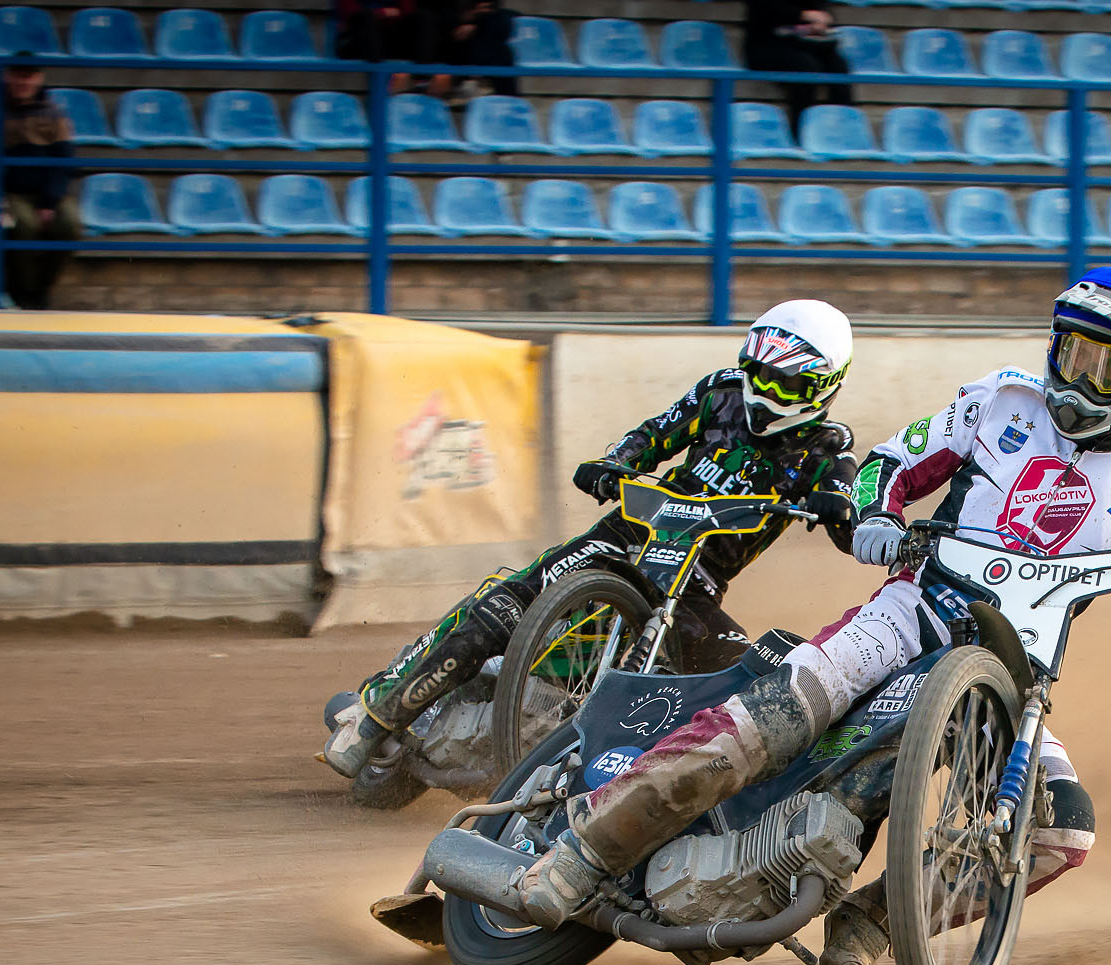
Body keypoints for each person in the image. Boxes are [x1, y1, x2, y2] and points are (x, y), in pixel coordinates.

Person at [506, 270, 1111, 965]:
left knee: (1061, 832)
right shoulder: (1000, 400)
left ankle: (871, 918)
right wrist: (875, 514)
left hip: (1016, 671)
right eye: (1073, 353)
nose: (1080, 378)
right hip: (911, 611)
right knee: (772, 718)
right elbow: (888, 463)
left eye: (1108, 368)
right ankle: (582, 852)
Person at [321, 302, 861, 780]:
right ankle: (377, 716)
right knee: (509, 600)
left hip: (695, 582)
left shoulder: (828, 445)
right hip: (629, 533)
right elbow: (654, 434)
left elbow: (847, 499)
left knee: (748, 685)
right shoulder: (720, 391)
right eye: (755, 372)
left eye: (780, 383)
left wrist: (839, 509)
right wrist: (616, 463)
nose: (760, 392)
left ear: (822, 386)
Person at [0, 59, 79, 311]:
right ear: (8, 77)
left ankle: (43, 288)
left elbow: (64, 160)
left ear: (39, 79)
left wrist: (49, 201)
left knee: (70, 226)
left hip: (47, 192)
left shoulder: (55, 114)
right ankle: (25, 291)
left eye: (29, 76)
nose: (24, 82)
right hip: (12, 192)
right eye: (18, 76)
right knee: (24, 226)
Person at [745, 0, 854, 134]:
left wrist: (821, 20)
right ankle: (802, 133)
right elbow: (765, 9)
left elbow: (820, 9)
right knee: (807, 67)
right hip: (766, 44)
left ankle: (841, 130)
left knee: (838, 66)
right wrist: (804, 15)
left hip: (803, 42)